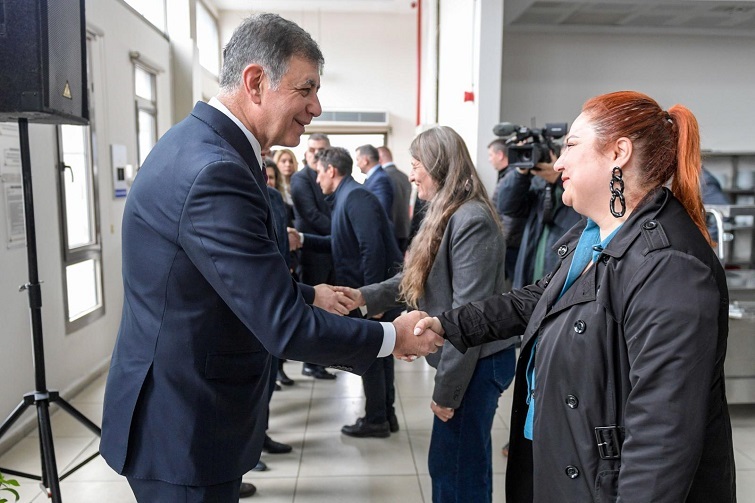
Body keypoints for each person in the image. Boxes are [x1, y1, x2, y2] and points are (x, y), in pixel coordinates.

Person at [100, 13, 443, 502]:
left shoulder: (198, 144)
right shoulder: (216, 170)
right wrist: (394, 336)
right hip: (184, 423)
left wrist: (309, 294)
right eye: (306, 89)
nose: (316, 107)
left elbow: (215, 276)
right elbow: (284, 328)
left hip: (184, 410)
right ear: (256, 82)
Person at [414, 91, 736, 502]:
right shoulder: (595, 235)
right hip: (569, 461)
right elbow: (540, 299)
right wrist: (446, 325)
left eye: (570, 145)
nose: (558, 162)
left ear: (619, 153)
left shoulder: (670, 267)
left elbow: (661, 437)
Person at [338, 126, 516, 501]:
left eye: (417, 164)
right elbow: (416, 277)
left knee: (454, 470)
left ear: (438, 166)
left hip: (476, 362)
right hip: (468, 359)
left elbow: (468, 318)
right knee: (461, 464)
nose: (412, 174)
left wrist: (447, 392)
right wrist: (362, 297)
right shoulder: (447, 212)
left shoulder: (471, 219)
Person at [301, 146, 404, 438]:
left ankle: (377, 419)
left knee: (371, 354)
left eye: (319, 173)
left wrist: (372, 300)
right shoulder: (347, 196)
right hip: (364, 293)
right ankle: (385, 415)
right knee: (379, 353)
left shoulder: (356, 196)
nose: (317, 180)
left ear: (331, 170)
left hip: (368, 294)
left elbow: (372, 249)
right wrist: (303, 239)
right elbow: (340, 242)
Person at [290, 133, 339, 380]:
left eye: (323, 150)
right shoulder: (301, 179)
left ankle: (320, 360)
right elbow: (311, 214)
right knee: (313, 309)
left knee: (328, 308)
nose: (317, 154)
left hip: (330, 249)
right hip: (311, 251)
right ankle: (311, 363)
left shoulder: (329, 174)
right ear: (306, 152)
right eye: (313, 150)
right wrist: (341, 230)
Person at [498, 148, 581, 289]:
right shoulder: (537, 182)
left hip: (562, 279)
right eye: (564, 147)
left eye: (571, 145)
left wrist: (558, 180)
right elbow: (507, 206)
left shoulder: (584, 186)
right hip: (531, 274)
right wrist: (521, 173)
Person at [488, 138, 527, 286]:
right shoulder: (508, 176)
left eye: (491, 155)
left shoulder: (513, 178)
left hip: (512, 244)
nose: (489, 159)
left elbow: (508, 215)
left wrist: (503, 240)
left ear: (500, 155)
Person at [378, 145, 412, 253]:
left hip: (389, 232)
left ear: (379, 158)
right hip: (405, 230)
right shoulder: (405, 177)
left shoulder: (381, 178)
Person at [356, 144, 394, 218]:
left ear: (365, 160)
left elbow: (381, 211)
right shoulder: (375, 177)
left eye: (358, 159)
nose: (357, 164)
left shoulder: (380, 179)